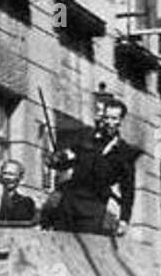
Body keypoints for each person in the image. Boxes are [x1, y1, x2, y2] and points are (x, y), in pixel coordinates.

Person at [40, 96, 140, 236]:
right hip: (70, 199)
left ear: (121, 121)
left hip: (95, 205)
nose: (109, 123)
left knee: (87, 245)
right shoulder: (86, 138)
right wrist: (55, 160)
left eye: (114, 119)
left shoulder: (125, 152)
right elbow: (65, 161)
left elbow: (128, 189)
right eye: (107, 118)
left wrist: (124, 219)